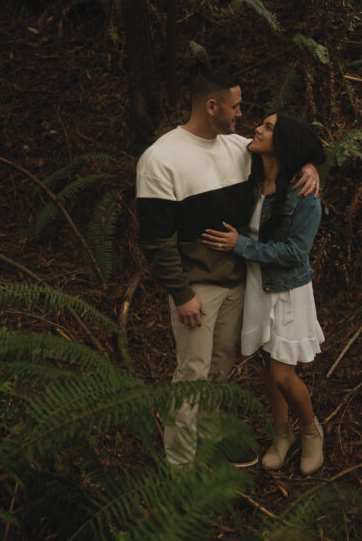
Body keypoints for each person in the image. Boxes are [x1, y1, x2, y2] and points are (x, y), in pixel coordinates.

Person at [135, 71, 319, 466]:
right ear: (212, 106)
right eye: (235, 107)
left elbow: (287, 151)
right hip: (197, 289)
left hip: (239, 284)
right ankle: (181, 465)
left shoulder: (238, 148)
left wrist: (309, 167)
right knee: (193, 373)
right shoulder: (161, 158)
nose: (243, 116)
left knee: (220, 370)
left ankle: (213, 443)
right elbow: (155, 239)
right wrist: (181, 294)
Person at [201, 111, 327, 475]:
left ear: (284, 143)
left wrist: (239, 245)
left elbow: (294, 254)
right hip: (256, 288)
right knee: (266, 369)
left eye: (268, 127)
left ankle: (311, 430)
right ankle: (281, 435)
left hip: (287, 292)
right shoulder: (252, 175)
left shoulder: (304, 195)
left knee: (283, 373)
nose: (256, 128)